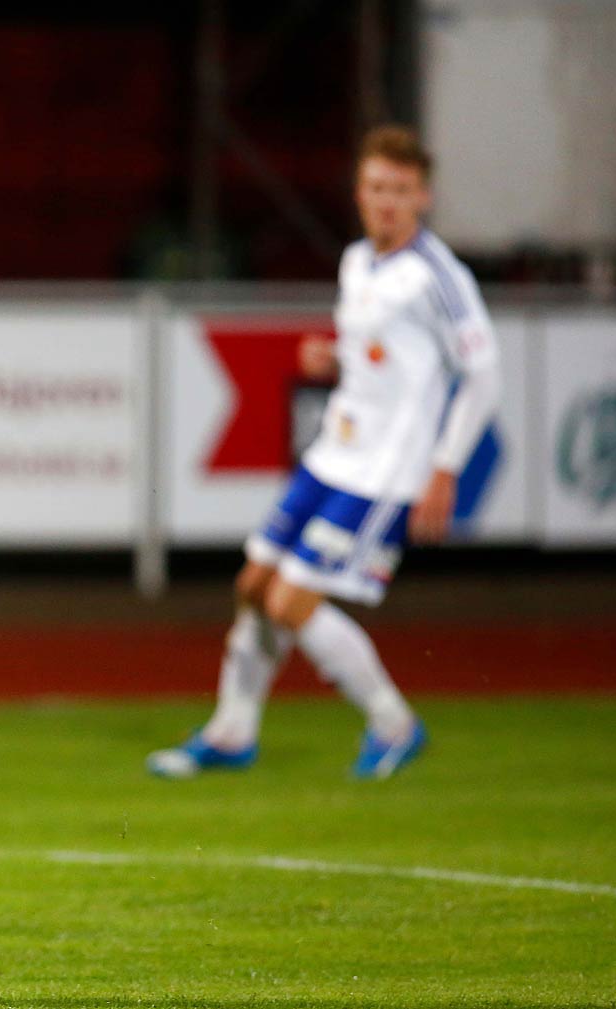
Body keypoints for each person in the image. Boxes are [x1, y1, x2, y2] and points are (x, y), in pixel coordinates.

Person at [149, 126, 501, 781]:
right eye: (375, 188)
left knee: (290, 601)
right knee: (254, 585)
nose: (386, 201)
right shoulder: (358, 262)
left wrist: (445, 467)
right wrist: (333, 357)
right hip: (334, 454)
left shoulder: (437, 276)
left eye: (400, 190)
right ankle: (232, 732)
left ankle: (394, 724)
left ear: (422, 196)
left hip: (387, 471)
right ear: (359, 192)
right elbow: (386, 358)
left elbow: (483, 374)